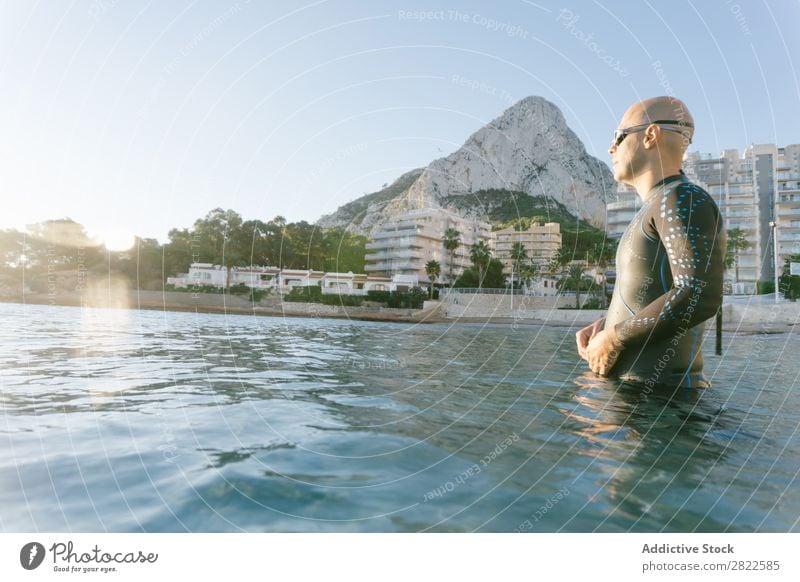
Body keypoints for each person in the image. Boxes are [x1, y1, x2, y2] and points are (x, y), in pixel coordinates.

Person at [576, 96, 725, 388]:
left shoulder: (681, 198)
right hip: (633, 398)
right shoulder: (660, 203)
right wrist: (606, 327)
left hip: (659, 404)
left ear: (650, 135)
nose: (611, 148)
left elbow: (699, 294)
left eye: (618, 137)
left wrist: (616, 338)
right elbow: (656, 291)